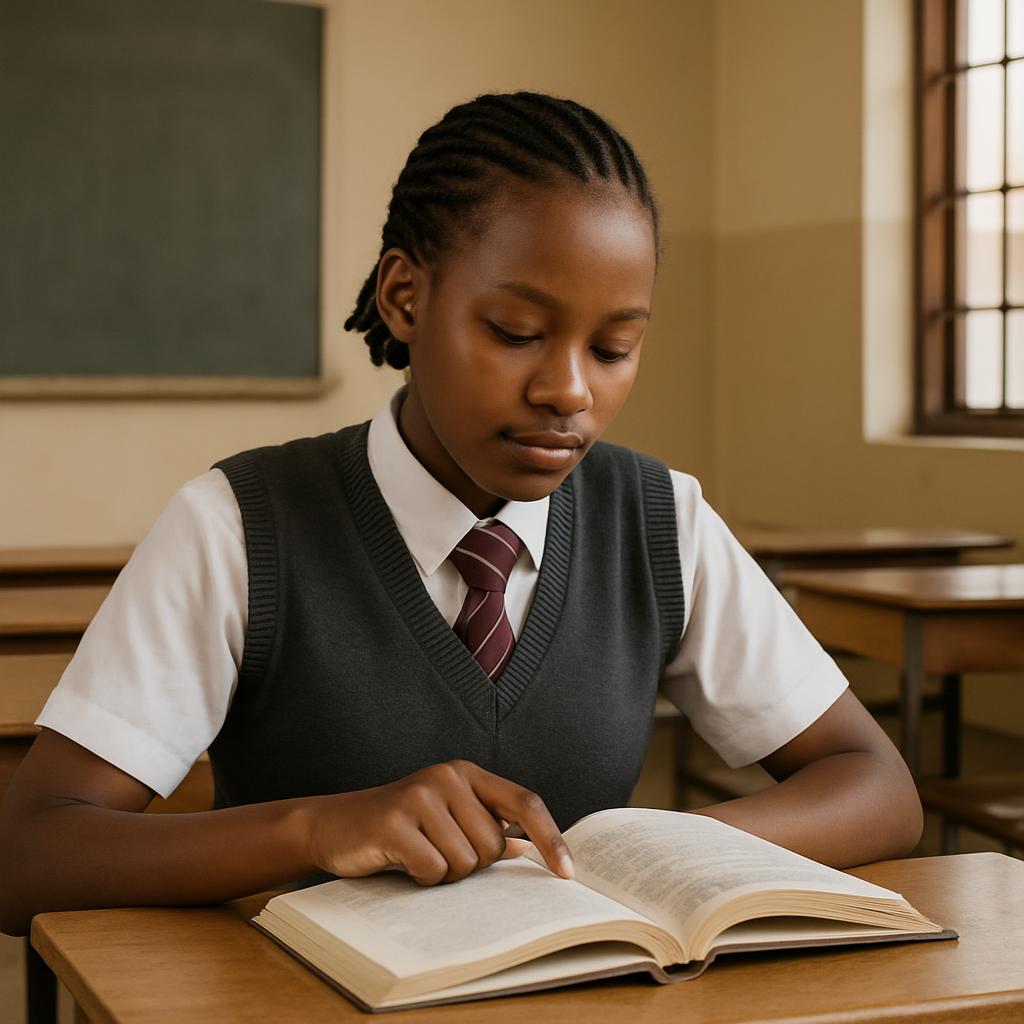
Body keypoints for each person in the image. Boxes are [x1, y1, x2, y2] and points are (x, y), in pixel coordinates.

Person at [0, 92, 921, 937]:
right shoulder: (239, 527)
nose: (568, 391)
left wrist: (657, 851)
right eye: (516, 334)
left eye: (614, 348)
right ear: (406, 298)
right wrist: (316, 829)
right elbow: (26, 856)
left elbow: (877, 787)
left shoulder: (658, 520)